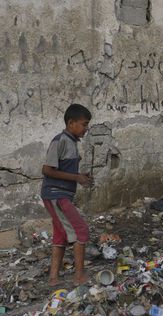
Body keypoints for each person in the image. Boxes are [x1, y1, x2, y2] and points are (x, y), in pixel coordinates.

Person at [41, 103, 93, 286]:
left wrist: (80, 176)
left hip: (60, 195)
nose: (86, 129)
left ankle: (53, 278)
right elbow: (47, 170)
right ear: (71, 123)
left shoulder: (72, 142)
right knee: (80, 230)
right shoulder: (60, 141)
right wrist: (77, 177)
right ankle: (79, 276)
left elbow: (65, 170)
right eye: (84, 124)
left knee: (61, 235)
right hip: (56, 195)